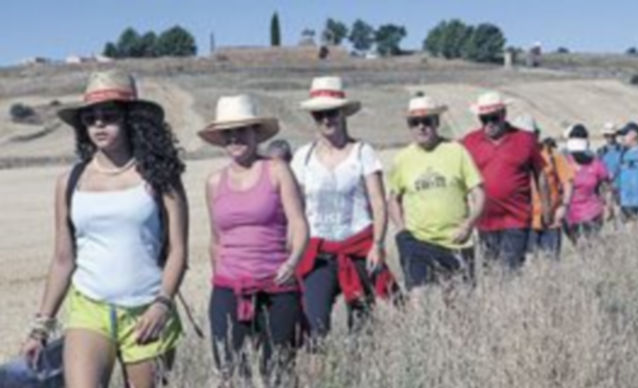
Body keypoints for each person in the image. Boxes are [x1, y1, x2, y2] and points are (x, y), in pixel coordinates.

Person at [19, 70, 188, 388]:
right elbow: (62, 258)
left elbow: (179, 249)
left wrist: (162, 303)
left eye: (108, 115)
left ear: (130, 120)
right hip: (89, 309)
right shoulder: (69, 182)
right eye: (90, 117)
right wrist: (41, 326)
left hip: (147, 310)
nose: (98, 124)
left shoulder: (160, 177)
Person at [199, 95, 309, 384]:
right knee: (231, 372)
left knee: (279, 371)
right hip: (229, 288)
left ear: (255, 134)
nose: (235, 138)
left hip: (277, 285)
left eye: (242, 130)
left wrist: (294, 261)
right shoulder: (213, 183)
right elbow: (216, 239)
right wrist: (220, 277)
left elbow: (299, 223)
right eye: (228, 133)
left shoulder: (276, 170)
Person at [290, 76, 395, 341]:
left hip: (358, 249)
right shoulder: (302, 157)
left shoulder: (363, 152)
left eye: (332, 112)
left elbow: (378, 204)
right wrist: (291, 251)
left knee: (363, 329)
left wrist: (378, 245)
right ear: (313, 117)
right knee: (314, 326)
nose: (327, 119)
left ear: (343, 113)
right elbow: (295, 209)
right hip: (318, 253)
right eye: (320, 114)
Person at [388, 94, 486, 290]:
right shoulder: (402, 159)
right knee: (419, 302)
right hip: (418, 242)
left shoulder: (457, 151)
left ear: (437, 122)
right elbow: (393, 199)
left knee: (460, 307)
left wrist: (468, 225)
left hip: (457, 241)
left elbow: (479, 194)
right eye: (415, 122)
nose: (421, 127)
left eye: (426, 121)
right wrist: (402, 230)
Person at [461, 91, 547, 271]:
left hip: (516, 219)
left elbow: (540, 174)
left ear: (504, 115)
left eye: (493, 118)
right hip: (484, 220)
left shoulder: (525, 140)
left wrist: (546, 208)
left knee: (510, 270)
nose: (489, 124)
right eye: (484, 119)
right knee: (490, 271)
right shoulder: (469, 142)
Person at [513, 115, 573, 259]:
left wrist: (564, 206)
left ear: (537, 134)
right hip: (524, 223)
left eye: (527, 135)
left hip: (551, 221)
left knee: (551, 263)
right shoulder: (513, 157)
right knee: (529, 265)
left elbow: (567, 181)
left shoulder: (552, 155)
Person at [563, 125, 612, 242]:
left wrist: (608, 205)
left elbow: (606, 185)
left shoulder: (596, 164)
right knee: (578, 245)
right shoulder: (564, 163)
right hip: (570, 215)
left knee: (590, 245)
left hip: (592, 213)